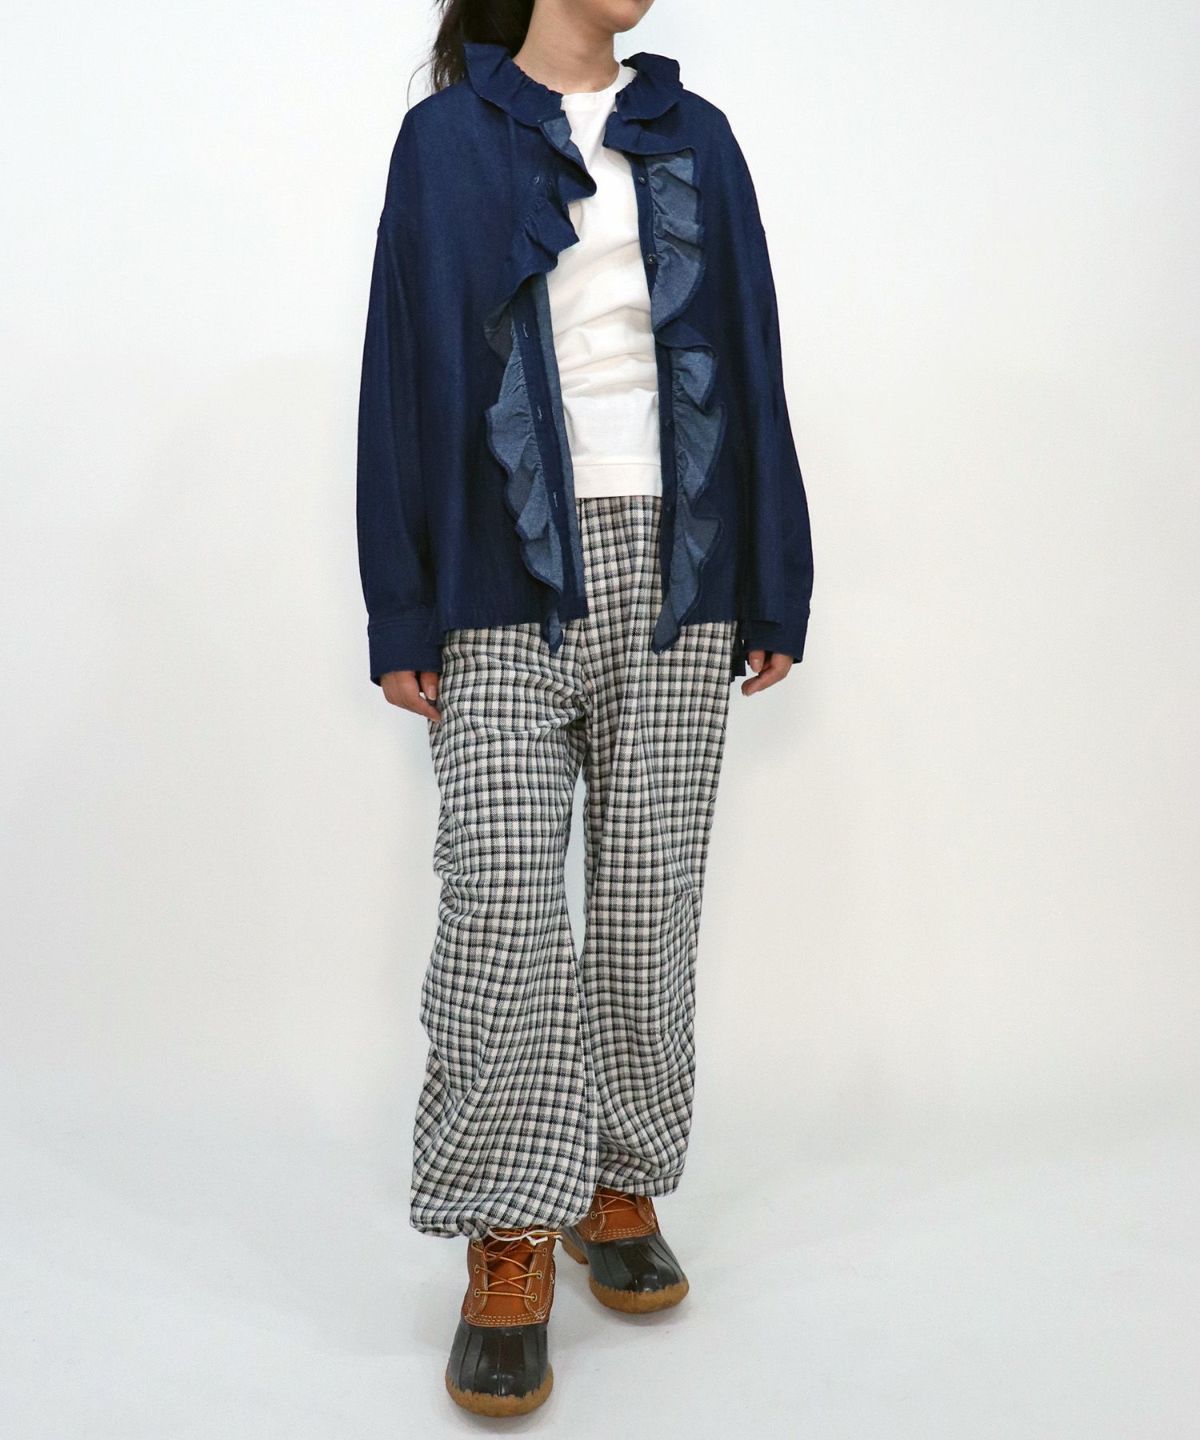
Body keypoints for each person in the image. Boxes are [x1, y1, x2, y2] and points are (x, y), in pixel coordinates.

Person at [356, 0, 813, 1417]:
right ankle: (508, 1227)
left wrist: (774, 578)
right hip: (501, 568)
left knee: (647, 897)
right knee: (500, 904)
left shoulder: (699, 138)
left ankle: (618, 1181)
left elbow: (751, 349)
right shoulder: (445, 144)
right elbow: (400, 367)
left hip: (682, 565)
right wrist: (402, 604)